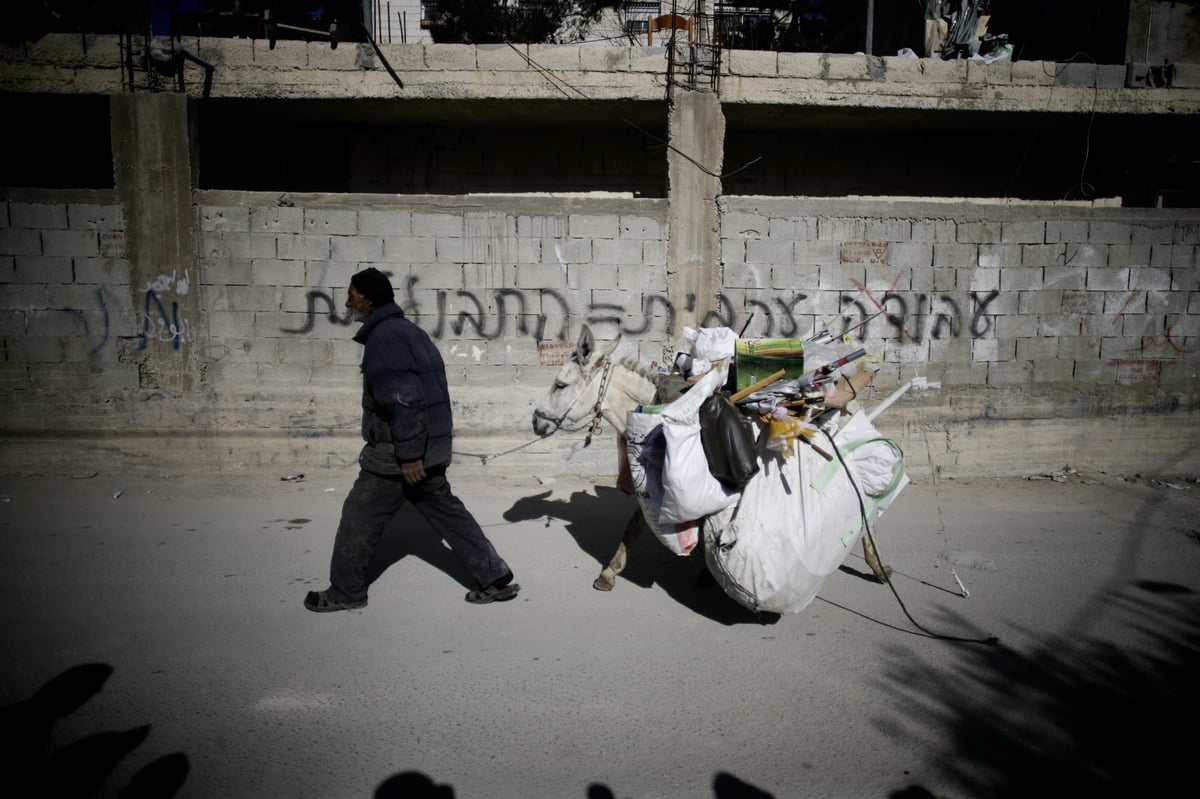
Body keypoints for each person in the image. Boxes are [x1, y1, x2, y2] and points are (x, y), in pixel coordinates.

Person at [304, 268, 519, 611]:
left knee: (359, 516)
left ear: (369, 300)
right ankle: (494, 578)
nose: (348, 302)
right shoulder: (410, 332)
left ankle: (346, 593)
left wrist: (408, 456)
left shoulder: (385, 338)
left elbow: (402, 399)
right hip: (425, 448)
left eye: (352, 295)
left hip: (397, 455)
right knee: (448, 513)